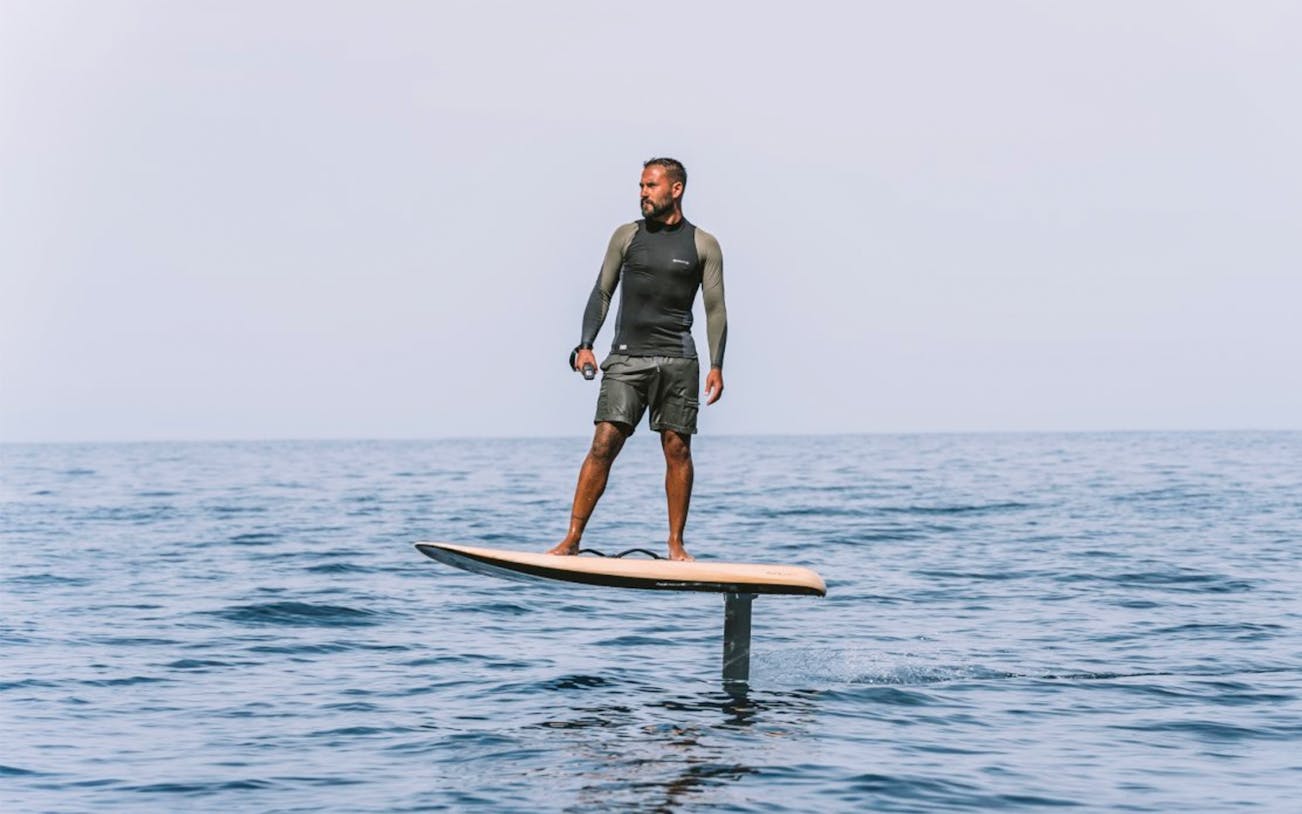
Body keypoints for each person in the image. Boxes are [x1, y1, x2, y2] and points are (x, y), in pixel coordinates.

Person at [547, 157, 727, 562]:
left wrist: (717, 364)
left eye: (651, 186)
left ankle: (676, 545)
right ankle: (571, 539)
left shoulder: (703, 245)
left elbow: (716, 308)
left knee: (677, 449)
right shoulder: (626, 236)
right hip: (627, 359)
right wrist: (586, 343)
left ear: (675, 189)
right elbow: (602, 292)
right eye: (641, 186)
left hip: (679, 360)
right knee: (603, 443)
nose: (643, 193)